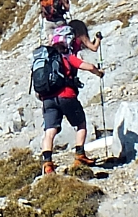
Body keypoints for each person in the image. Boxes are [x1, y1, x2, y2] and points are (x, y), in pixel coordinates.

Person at [38, 20, 105, 174]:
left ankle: (47, 164)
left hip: (48, 99)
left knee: (49, 131)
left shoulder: (46, 58)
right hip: (66, 95)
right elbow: (89, 67)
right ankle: (80, 155)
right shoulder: (67, 56)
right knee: (80, 123)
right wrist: (99, 73)